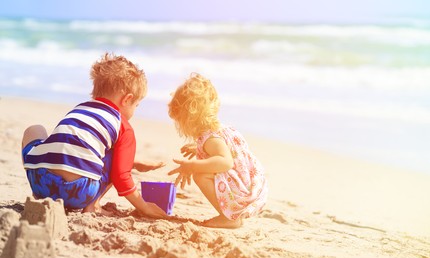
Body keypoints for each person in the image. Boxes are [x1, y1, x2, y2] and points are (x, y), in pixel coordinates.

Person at [21, 53, 167, 219]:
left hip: (41, 184)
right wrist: (144, 206)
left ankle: (37, 195)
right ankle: (93, 205)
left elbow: (72, 150)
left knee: (34, 129)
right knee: (114, 152)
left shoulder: (79, 109)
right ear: (127, 99)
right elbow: (121, 176)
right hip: (78, 193)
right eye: (136, 105)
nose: (135, 110)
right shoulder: (123, 126)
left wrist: (131, 162)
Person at [167, 73, 268, 228]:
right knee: (204, 171)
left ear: (190, 118)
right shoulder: (220, 131)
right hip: (253, 186)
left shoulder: (210, 138)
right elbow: (227, 152)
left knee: (200, 175)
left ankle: (230, 218)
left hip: (244, 193)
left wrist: (192, 166)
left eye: (180, 122)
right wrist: (198, 149)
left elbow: (225, 162)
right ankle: (231, 216)